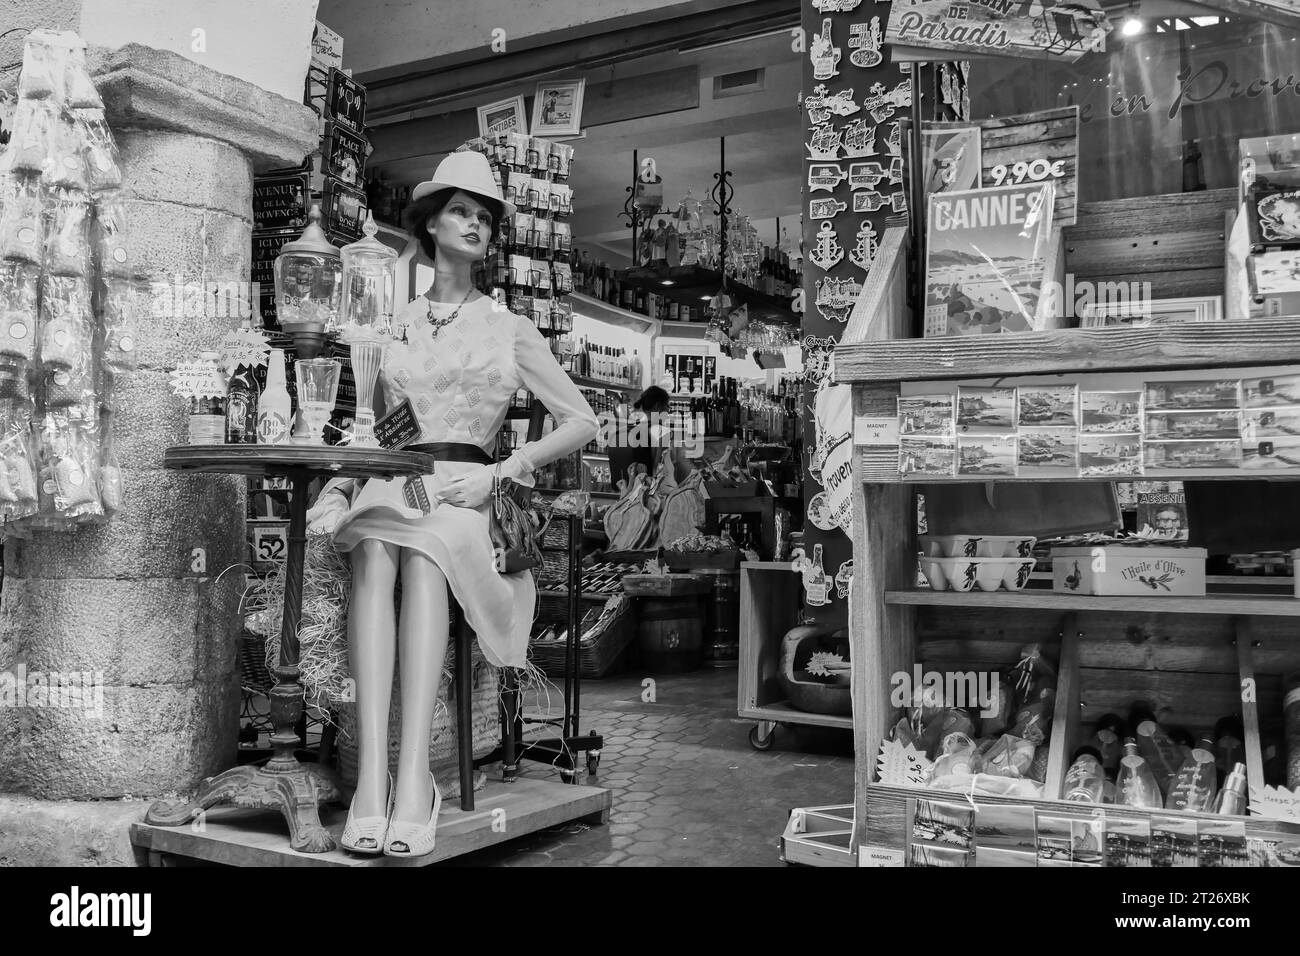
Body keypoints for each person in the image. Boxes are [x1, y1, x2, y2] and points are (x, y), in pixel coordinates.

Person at [305, 151, 597, 857]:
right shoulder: (393, 323)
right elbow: (371, 426)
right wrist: (340, 487)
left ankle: (414, 783)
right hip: (396, 480)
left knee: (426, 549)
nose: (476, 225)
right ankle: (373, 776)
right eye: (463, 211)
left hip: (468, 492)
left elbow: (581, 420)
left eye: (486, 218)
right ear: (432, 222)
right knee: (375, 542)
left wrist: (503, 472)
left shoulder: (509, 326)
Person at [607, 385, 690, 488]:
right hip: (650, 498)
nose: (668, 411)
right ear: (658, 406)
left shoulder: (630, 429)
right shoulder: (663, 432)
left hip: (626, 495)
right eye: (667, 406)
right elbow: (663, 473)